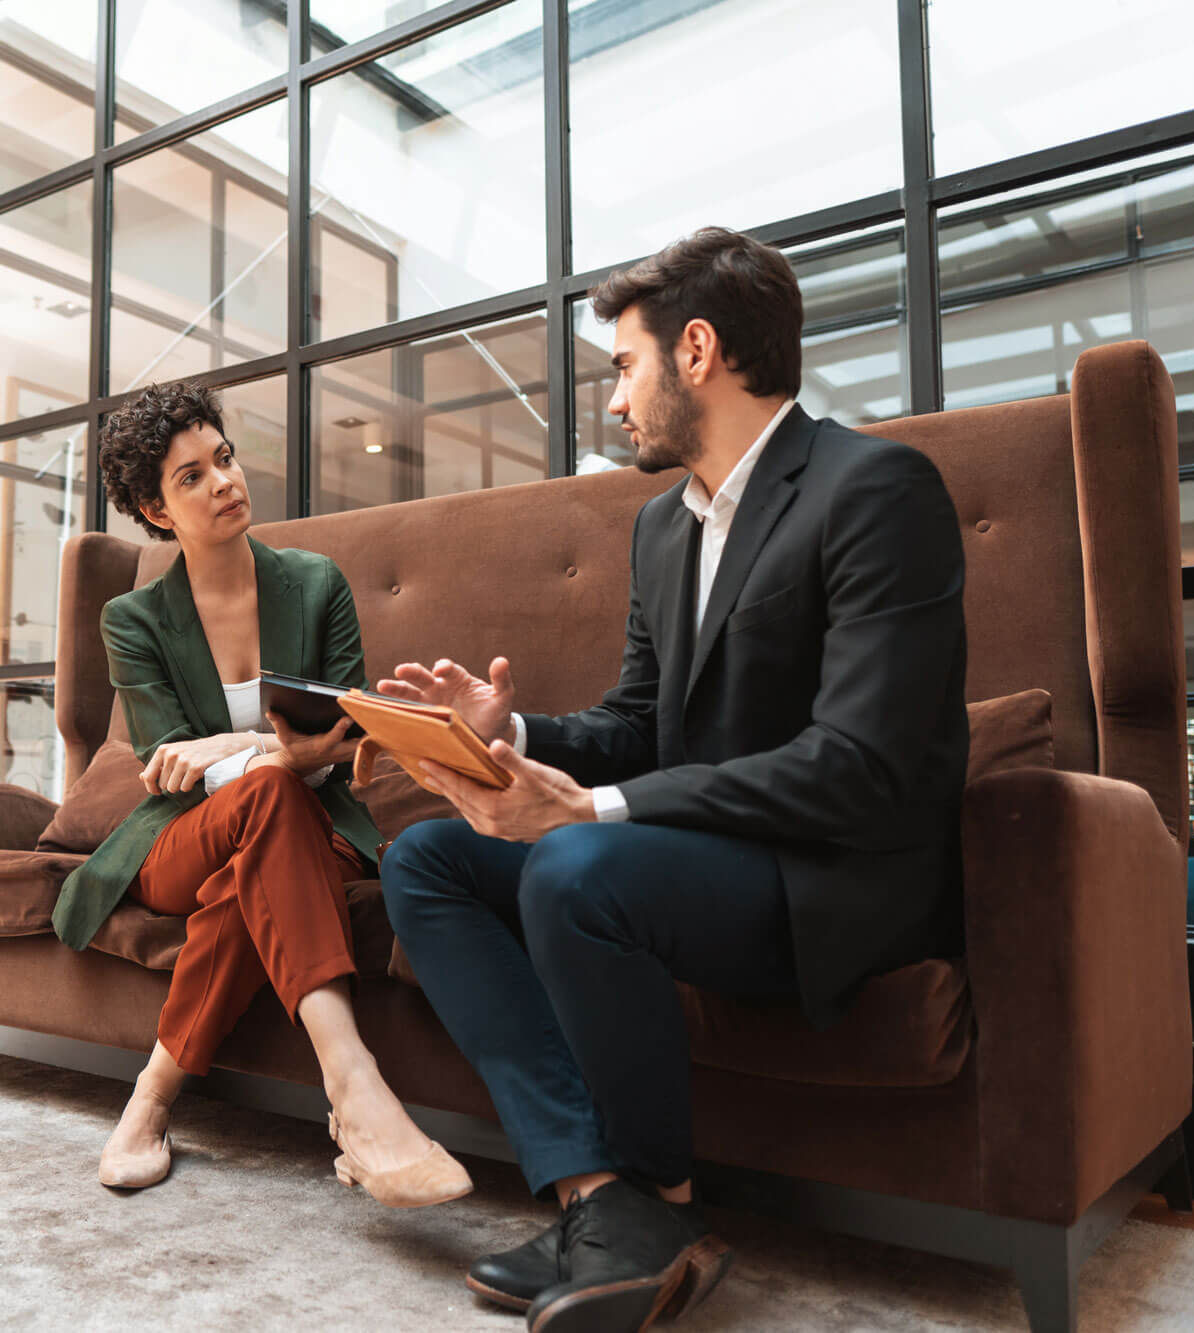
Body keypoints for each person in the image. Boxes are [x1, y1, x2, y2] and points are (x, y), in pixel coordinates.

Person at [377, 227, 968, 1331]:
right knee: (427, 858)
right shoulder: (661, 526)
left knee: (573, 867)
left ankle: (658, 1197)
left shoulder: (875, 488)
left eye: (622, 366)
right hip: (689, 861)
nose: (613, 401)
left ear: (695, 350)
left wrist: (589, 806)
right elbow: (643, 723)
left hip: (826, 877)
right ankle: (608, 1202)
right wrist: (513, 727)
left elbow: (860, 765)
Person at [52, 380, 471, 1207]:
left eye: (225, 459)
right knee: (270, 801)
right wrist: (271, 751)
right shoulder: (133, 618)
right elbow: (172, 767)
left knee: (263, 847)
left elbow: (353, 736)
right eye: (192, 477)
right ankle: (352, 1087)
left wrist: (239, 746)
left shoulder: (316, 584)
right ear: (156, 509)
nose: (224, 483)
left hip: (317, 821)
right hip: (182, 837)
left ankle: (153, 1099)